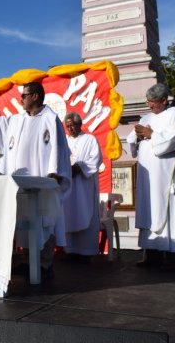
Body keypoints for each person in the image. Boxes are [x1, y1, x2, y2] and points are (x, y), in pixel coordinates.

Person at [0, 81, 72, 278]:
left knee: (44, 220)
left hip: (41, 179)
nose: (21, 99)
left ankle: (44, 262)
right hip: (19, 182)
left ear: (35, 96)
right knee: (23, 220)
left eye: (24, 96)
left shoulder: (50, 119)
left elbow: (59, 150)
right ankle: (28, 261)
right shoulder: (17, 120)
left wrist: (53, 174)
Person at [126, 83, 175, 270]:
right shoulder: (146, 117)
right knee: (149, 209)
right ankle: (152, 255)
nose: (150, 106)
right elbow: (132, 139)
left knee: (170, 211)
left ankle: (173, 257)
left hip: (168, 175)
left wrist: (151, 134)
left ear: (164, 100)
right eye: (148, 102)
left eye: (153, 102)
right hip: (148, 178)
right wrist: (138, 137)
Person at [62, 112, 102, 262]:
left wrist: (79, 168)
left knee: (86, 212)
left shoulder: (90, 139)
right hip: (68, 186)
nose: (70, 129)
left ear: (80, 124)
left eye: (72, 125)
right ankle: (70, 251)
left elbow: (96, 159)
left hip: (84, 186)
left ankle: (86, 252)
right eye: (67, 126)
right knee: (68, 214)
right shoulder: (64, 141)